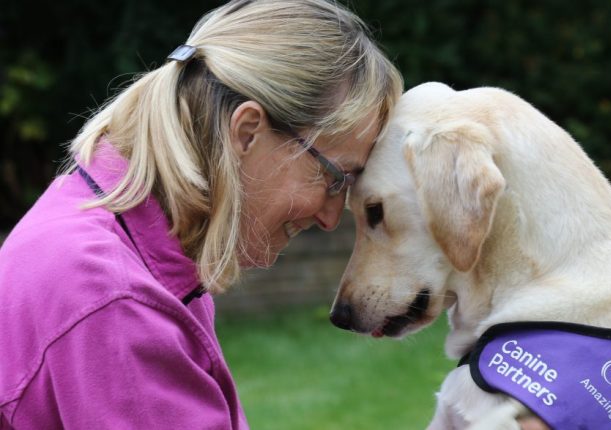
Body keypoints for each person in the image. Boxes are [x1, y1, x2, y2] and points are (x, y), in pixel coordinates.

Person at [0, 0, 400, 428]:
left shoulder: (120, 234)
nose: (330, 216)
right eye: (335, 178)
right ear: (247, 133)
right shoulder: (114, 302)